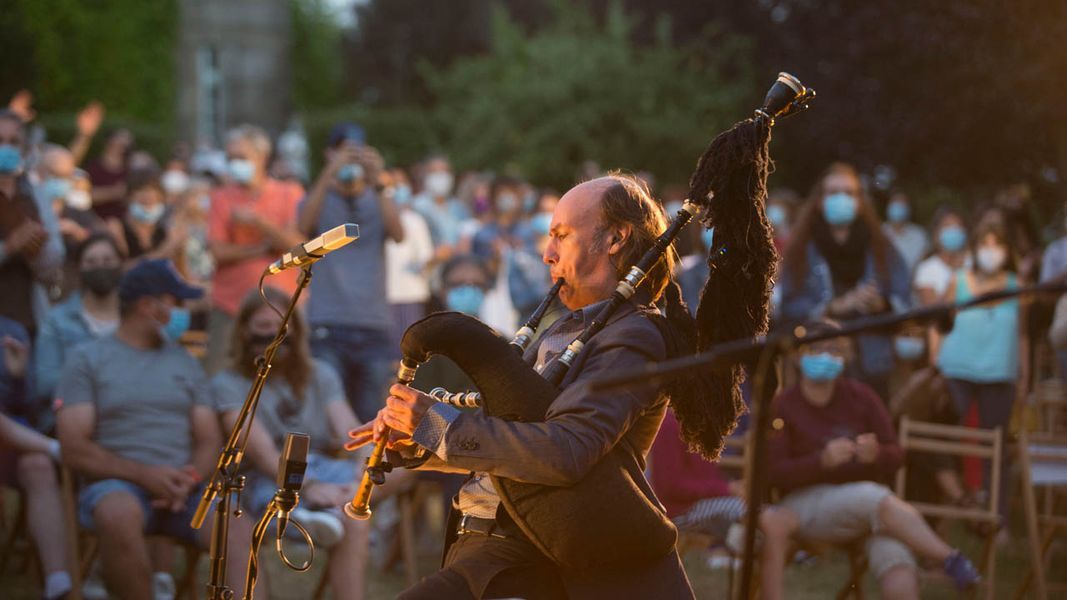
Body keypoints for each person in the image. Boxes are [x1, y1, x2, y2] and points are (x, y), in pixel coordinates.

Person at [347, 174, 695, 599]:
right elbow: (510, 437)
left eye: (561, 236)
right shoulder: (564, 329)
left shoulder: (633, 336)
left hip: (527, 554)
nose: (547, 255)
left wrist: (438, 427)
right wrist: (420, 441)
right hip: (480, 545)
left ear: (615, 239)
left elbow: (566, 450)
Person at [54, 259, 258, 598]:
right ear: (148, 306)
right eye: (175, 302)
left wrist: (188, 479)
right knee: (118, 513)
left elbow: (209, 437)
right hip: (116, 486)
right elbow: (73, 445)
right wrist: (145, 475)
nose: (182, 311)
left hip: (185, 490)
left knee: (236, 526)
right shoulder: (87, 359)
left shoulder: (185, 362)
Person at [213, 288, 411, 600]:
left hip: (322, 466)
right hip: (265, 478)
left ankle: (339, 507)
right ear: (243, 332)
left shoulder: (320, 373)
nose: (275, 338)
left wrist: (361, 476)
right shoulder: (228, 384)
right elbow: (263, 454)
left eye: (282, 328)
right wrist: (308, 487)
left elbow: (351, 433)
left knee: (401, 467)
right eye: (264, 329)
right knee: (354, 523)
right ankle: (327, 511)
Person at [765, 321, 980, 599]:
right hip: (805, 506)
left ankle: (936, 571)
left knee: (897, 561)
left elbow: (896, 454)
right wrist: (822, 461)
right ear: (797, 356)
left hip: (872, 512)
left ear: (845, 356)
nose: (825, 357)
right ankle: (951, 559)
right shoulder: (783, 405)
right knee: (873, 497)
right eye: (816, 350)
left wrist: (876, 454)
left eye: (833, 350)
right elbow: (773, 472)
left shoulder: (861, 397)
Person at [295, 123, 403, 423]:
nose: (350, 160)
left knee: (372, 417)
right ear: (329, 154)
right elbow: (304, 226)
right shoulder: (319, 196)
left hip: (374, 323)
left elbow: (398, 233)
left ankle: (362, 472)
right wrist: (330, 172)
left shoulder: (378, 195)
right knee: (328, 415)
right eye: (343, 152)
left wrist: (379, 179)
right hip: (328, 322)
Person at [778, 163, 911, 400]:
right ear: (820, 200)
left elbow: (906, 300)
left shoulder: (882, 246)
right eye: (833, 192)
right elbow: (786, 306)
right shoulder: (800, 248)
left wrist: (882, 305)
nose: (841, 198)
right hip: (818, 364)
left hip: (872, 362)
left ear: (860, 201)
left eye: (849, 193)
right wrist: (832, 308)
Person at [934, 220, 1025, 521]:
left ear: (1007, 250)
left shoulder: (1018, 286)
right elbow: (939, 325)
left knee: (996, 448)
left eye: (997, 244)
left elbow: (1023, 335)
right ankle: (955, 507)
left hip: (1000, 374)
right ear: (974, 248)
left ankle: (998, 520)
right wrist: (936, 361)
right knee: (947, 440)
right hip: (956, 372)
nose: (991, 251)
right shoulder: (957, 282)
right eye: (984, 244)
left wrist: (1024, 375)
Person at [206, 124, 304, 373]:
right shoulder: (221, 197)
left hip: (283, 309)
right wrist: (263, 248)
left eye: (241, 157)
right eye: (230, 158)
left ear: (262, 157)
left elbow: (298, 247)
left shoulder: (289, 193)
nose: (234, 164)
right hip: (230, 307)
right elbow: (218, 252)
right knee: (221, 376)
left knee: (288, 376)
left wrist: (258, 222)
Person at [0, 319, 72, 600]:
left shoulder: (11, 331)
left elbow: (29, 404)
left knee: (37, 466)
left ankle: (58, 582)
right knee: (43, 455)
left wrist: (18, 376)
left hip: (12, 436)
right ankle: (58, 450)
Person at [34, 234, 122, 406]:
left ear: (121, 264)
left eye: (108, 261)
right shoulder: (56, 320)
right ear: (79, 268)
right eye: (91, 262)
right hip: (72, 414)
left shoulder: (137, 318)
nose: (100, 267)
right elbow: (46, 384)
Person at [0, 109, 64, 337]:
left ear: (23, 149)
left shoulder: (35, 192)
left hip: (29, 323)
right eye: (0, 141)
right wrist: (9, 247)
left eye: (13, 142)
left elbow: (55, 258)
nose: (5, 148)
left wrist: (36, 247)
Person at [385, 168, 434, 352]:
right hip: (385, 296)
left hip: (410, 295)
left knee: (410, 350)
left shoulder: (415, 220)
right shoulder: (381, 219)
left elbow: (425, 257)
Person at [108, 167, 186, 262]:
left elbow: (181, 275)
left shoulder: (165, 232)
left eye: (153, 200)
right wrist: (164, 250)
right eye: (143, 201)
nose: (149, 196)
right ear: (128, 198)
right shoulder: (117, 229)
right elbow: (120, 270)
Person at [412, 155, 469, 261]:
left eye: (444, 171)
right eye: (434, 172)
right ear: (425, 175)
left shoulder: (458, 208)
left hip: (454, 265)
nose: (440, 176)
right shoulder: (417, 206)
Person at [912, 207, 970, 306]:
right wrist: (956, 273)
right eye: (948, 226)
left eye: (958, 226)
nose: (953, 230)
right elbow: (934, 313)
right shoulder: (926, 270)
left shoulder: (973, 262)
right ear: (936, 234)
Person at [85, 129, 132, 221]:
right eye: (118, 142)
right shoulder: (94, 167)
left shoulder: (130, 169)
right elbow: (87, 196)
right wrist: (113, 192)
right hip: (97, 220)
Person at [882, 191, 929, 274]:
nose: (898, 206)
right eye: (895, 202)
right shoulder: (879, 232)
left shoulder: (919, 235)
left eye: (902, 204)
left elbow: (924, 261)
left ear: (909, 209)